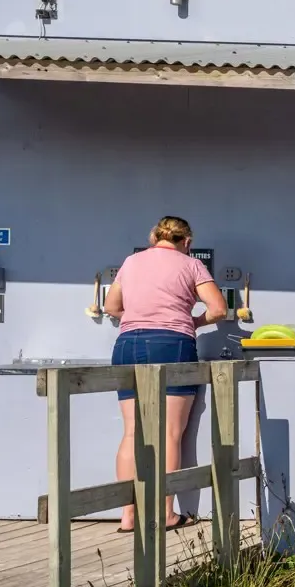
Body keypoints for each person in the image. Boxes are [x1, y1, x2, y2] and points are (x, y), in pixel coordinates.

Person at [103, 216, 227, 533]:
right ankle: (165, 513)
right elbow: (218, 309)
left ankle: (128, 516)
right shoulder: (190, 264)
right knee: (170, 432)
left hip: (127, 344)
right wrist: (192, 322)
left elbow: (111, 307)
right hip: (172, 343)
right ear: (187, 241)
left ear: (154, 237)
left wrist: (136, 316)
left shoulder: (131, 262)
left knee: (133, 431)